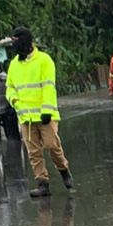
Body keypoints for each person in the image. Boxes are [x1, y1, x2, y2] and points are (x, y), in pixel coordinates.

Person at [6, 26, 72, 200]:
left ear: (26, 42)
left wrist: (47, 110)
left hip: (45, 116)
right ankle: (42, 184)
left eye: (17, 41)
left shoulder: (44, 60)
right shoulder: (14, 64)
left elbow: (49, 87)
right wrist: (14, 101)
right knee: (33, 153)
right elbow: (10, 88)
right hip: (25, 117)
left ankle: (63, 169)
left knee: (52, 145)